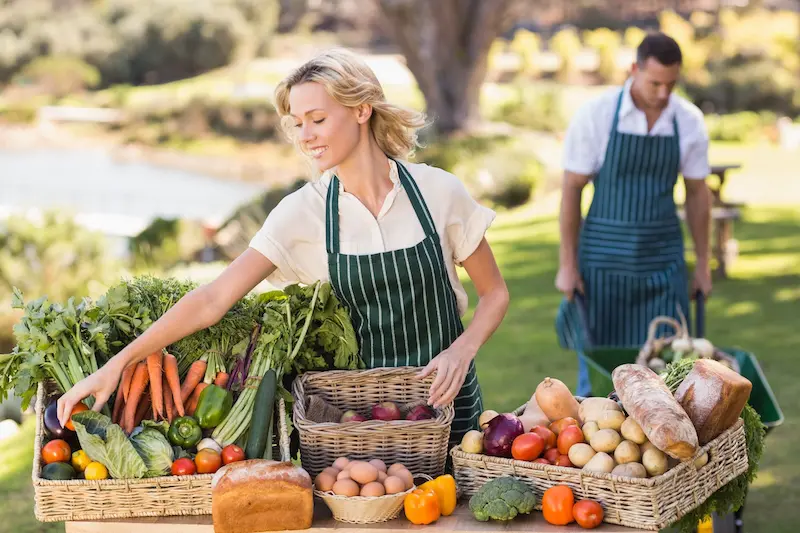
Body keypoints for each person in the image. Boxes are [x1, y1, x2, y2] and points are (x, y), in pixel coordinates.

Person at [57, 48, 510, 446]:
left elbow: (496, 294)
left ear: (361, 110)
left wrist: (462, 349)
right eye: (297, 123)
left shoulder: (438, 192)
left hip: (449, 408)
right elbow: (213, 299)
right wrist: (117, 363)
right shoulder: (304, 213)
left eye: (318, 119)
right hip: (359, 423)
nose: (305, 135)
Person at [554, 32, 712, 396]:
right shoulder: (597, 115)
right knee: (598, 380)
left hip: (663, 263)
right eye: (654, 82)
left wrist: (703, 264)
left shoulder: (688, 121)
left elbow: (697, 195)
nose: (662, 93)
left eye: (671, 84)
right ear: (633, 69)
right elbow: (571, 189)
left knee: (671, 377)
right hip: (603, 265)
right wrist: (567, 263)